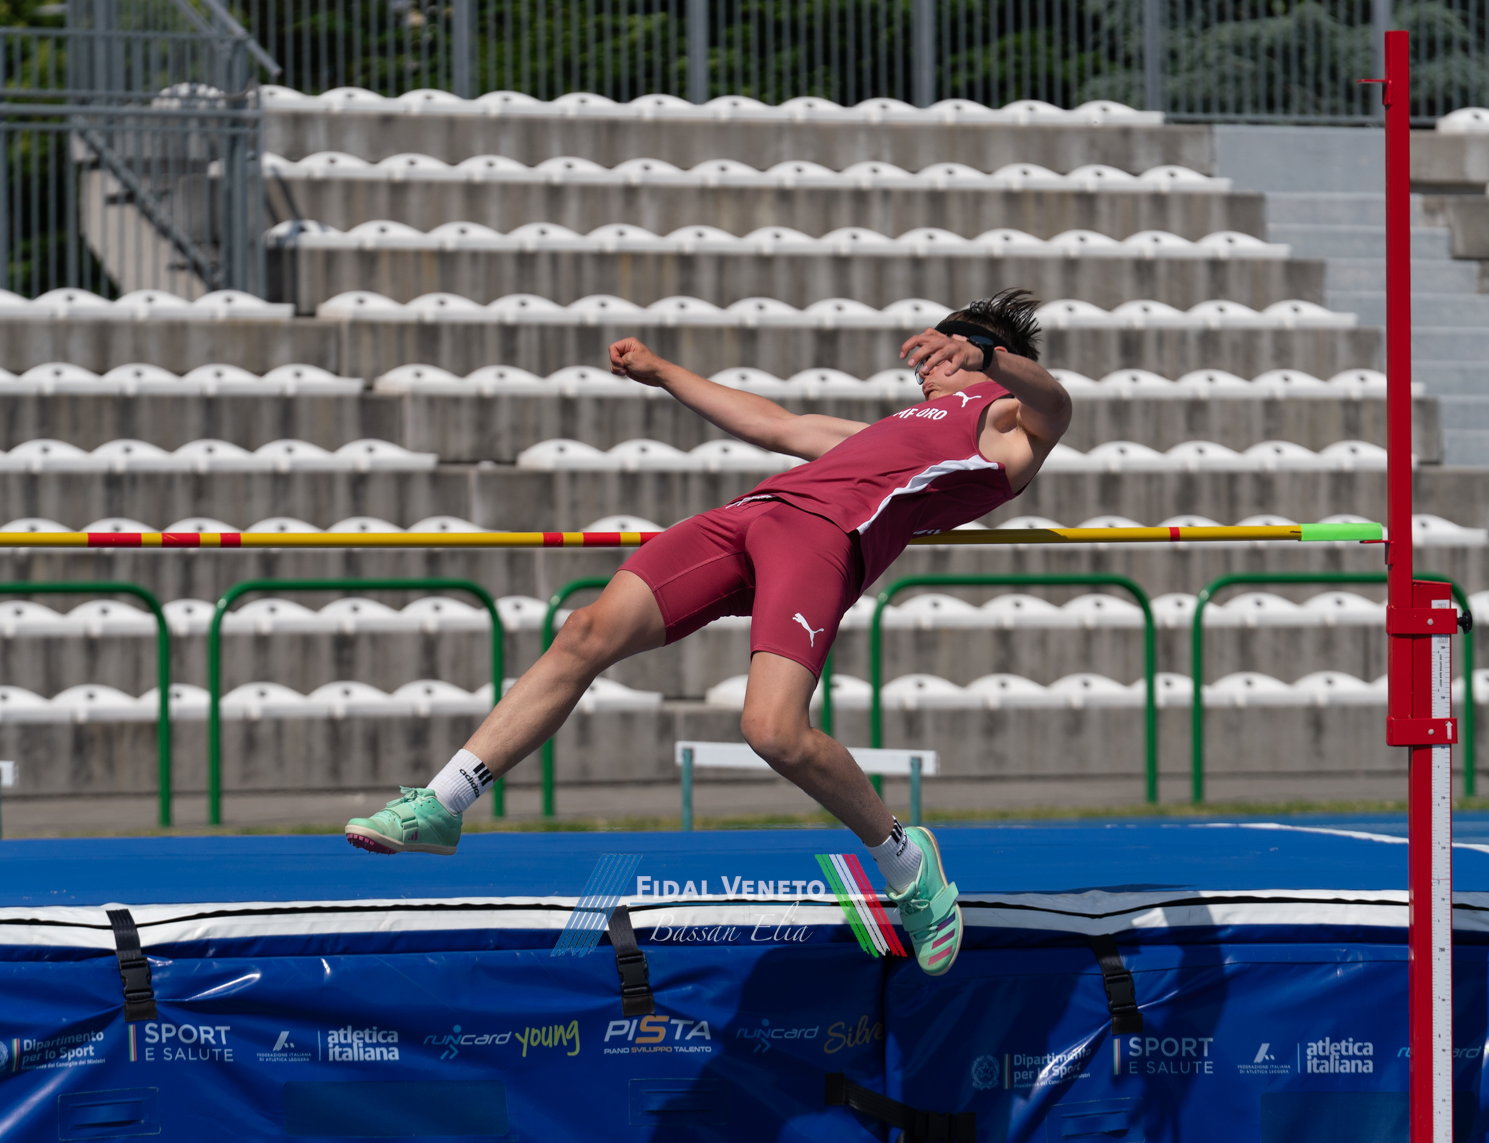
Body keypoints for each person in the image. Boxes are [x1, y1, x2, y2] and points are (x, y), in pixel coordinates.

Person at [345, 288, 1073, 976]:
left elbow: (1056, 403)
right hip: (750, 516)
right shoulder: (891, 429)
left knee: (772, 730)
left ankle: (906, 861)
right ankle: (443, 802)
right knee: (585, 631)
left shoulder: (1009, 425)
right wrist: (663, 372)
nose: (926, 368)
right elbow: (775, 424)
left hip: (821, 538)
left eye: (942, 355)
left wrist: (986, 355)